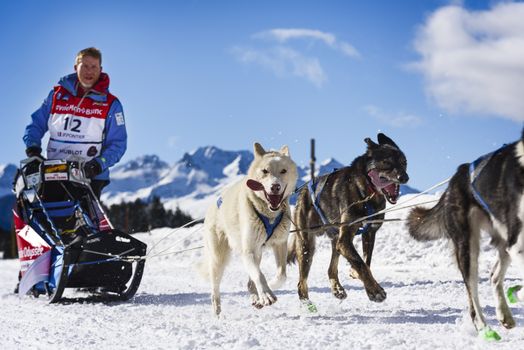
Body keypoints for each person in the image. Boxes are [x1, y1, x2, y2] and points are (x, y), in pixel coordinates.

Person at [23, 47, 127, 198]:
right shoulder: (56, 95)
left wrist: (99, 164)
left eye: (94, 67)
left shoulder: (112, 104)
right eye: (85, 66)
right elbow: (36, 124)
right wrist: (33, 150)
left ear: (100, 69)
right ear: (75, 67)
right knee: (51, 218)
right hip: (54, 171)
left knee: (83, 221)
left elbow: (118, 143)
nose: (89, 71)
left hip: (89, 175)